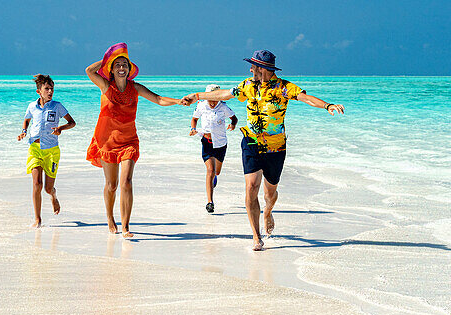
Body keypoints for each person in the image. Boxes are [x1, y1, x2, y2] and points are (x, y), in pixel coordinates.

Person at [182, 49, 344, 251]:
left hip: (276, 147)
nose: (250, 69)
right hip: (251, 142)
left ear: (263, 69)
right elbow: (224, 94)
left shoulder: (283, 87)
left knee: (270, 193)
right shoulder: (247, 86)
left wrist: (326, 105)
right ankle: (256, 236)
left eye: (253, 66)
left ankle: (267, 211)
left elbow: (306, 98)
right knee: (251, 187)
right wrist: (197, 95)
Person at [85, 42, 184, 238]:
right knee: (111, 185)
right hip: (107, 141)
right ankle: (109, 218)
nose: (122, 68)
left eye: (125, 65)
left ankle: (126, 226)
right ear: (112, 70)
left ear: (129, 70)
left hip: (129, 141)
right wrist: (107, 59)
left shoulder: (135, 88)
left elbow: (158, 99)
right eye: (118, 65)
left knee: (127, 182)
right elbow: (89, 71)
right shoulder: (106, 86)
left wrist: (178, 101)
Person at [17, 74, 76, 227]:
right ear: (39, 91)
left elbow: (72, 122)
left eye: (52, 89)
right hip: (35, 149)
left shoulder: (57, 106)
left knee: (48, 188)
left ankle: (54, 196)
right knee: (36, 184)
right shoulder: (31, 106)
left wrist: (61, 128)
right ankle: (37, 219)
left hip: (51, 151)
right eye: (47, 89)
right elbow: (27, 119)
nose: (50, 92)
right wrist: (24, 131)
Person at [188, 84, 237, 213]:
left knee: (217, 172)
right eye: (210, 99)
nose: (212, 102)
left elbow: (234, 118)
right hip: (207, 142)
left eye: (215, 99)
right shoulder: (201, 105)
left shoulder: (224, 107)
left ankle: (214, 178)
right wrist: (193, 129)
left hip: (220, 143)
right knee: (210, 170)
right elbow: (194, 119)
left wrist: (232, 125)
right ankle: (210, 202)